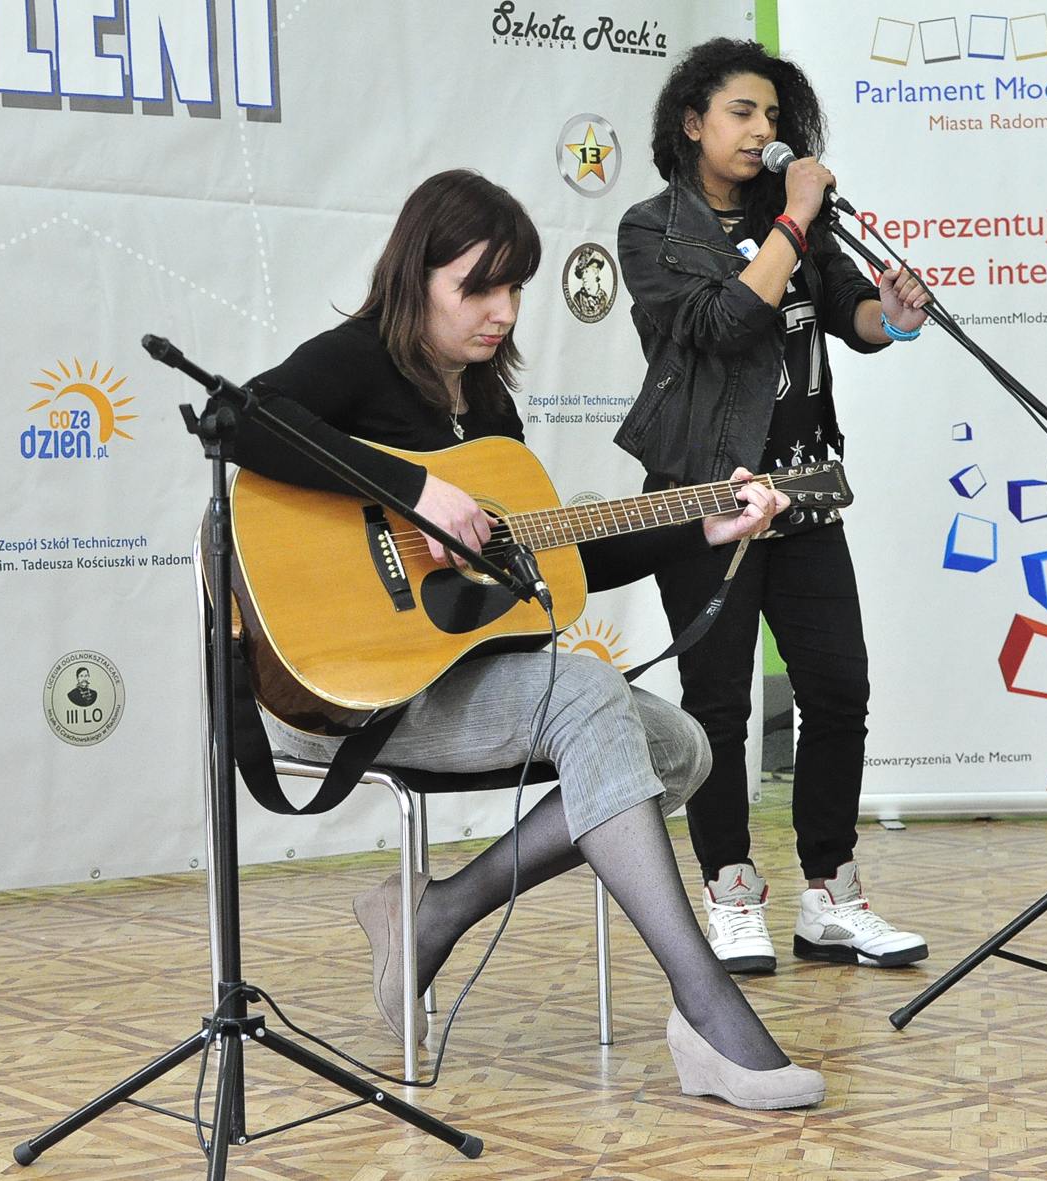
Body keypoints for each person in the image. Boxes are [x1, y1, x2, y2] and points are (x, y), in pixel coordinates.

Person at [232, 169, 824, 1110]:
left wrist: (699, 527)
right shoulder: (357, 360)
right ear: (416, 276)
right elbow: (241, 419)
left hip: (451, 675)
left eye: (514, 288)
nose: (503, 311)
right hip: (341, 694)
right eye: (478, 287)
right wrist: (414, 491)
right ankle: (704, 1004)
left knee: (680, 747)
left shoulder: (486, 410)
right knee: (587, 691)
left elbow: (550, 561)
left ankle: (442, 909)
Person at [615, 39, 932, 975]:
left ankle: (832, 894)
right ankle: (731, 892)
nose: (763, 130)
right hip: (705, 497)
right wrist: (796, 216)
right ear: (692, 123)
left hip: (804, 490)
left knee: (838, 690)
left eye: (773, 116)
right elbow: (722, 324)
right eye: (743, 112)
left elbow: (851, 315)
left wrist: (893, 315)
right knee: (718, 705)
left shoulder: (799, 223)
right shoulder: (652, 230)